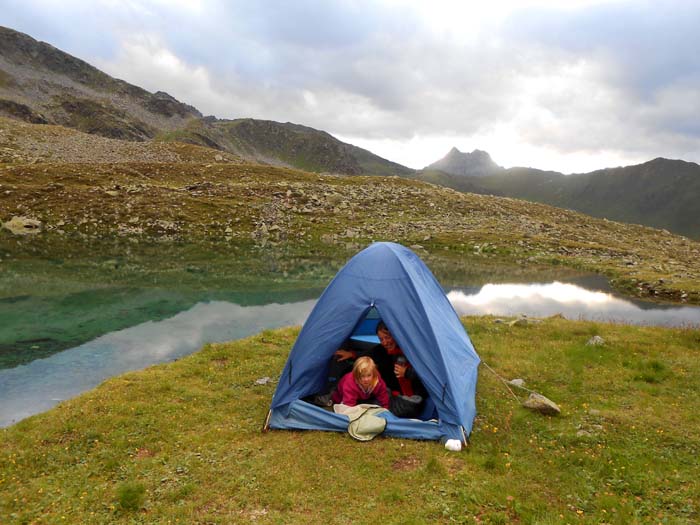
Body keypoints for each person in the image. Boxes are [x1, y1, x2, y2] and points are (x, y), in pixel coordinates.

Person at [372, 321, 427, 418]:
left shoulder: (413, 351)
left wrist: (406, 372)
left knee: (409, 407)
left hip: (415, 397)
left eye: (387, 337)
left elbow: (428, 375)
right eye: (381, 339)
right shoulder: (388, 351)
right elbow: (372, 352)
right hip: (397, 393)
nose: (384, 342)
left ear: (396, 335)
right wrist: (352, 354)